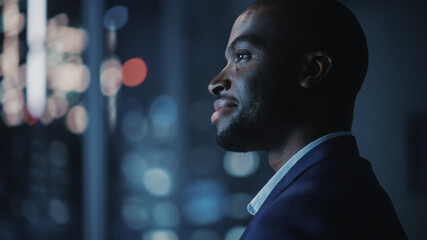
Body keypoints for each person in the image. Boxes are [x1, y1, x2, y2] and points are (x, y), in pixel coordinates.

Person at [208, 0, 407, 239]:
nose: (215, 83)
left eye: (242, 56)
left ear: (311, 70)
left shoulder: (288, 221)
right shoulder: (358, 191)